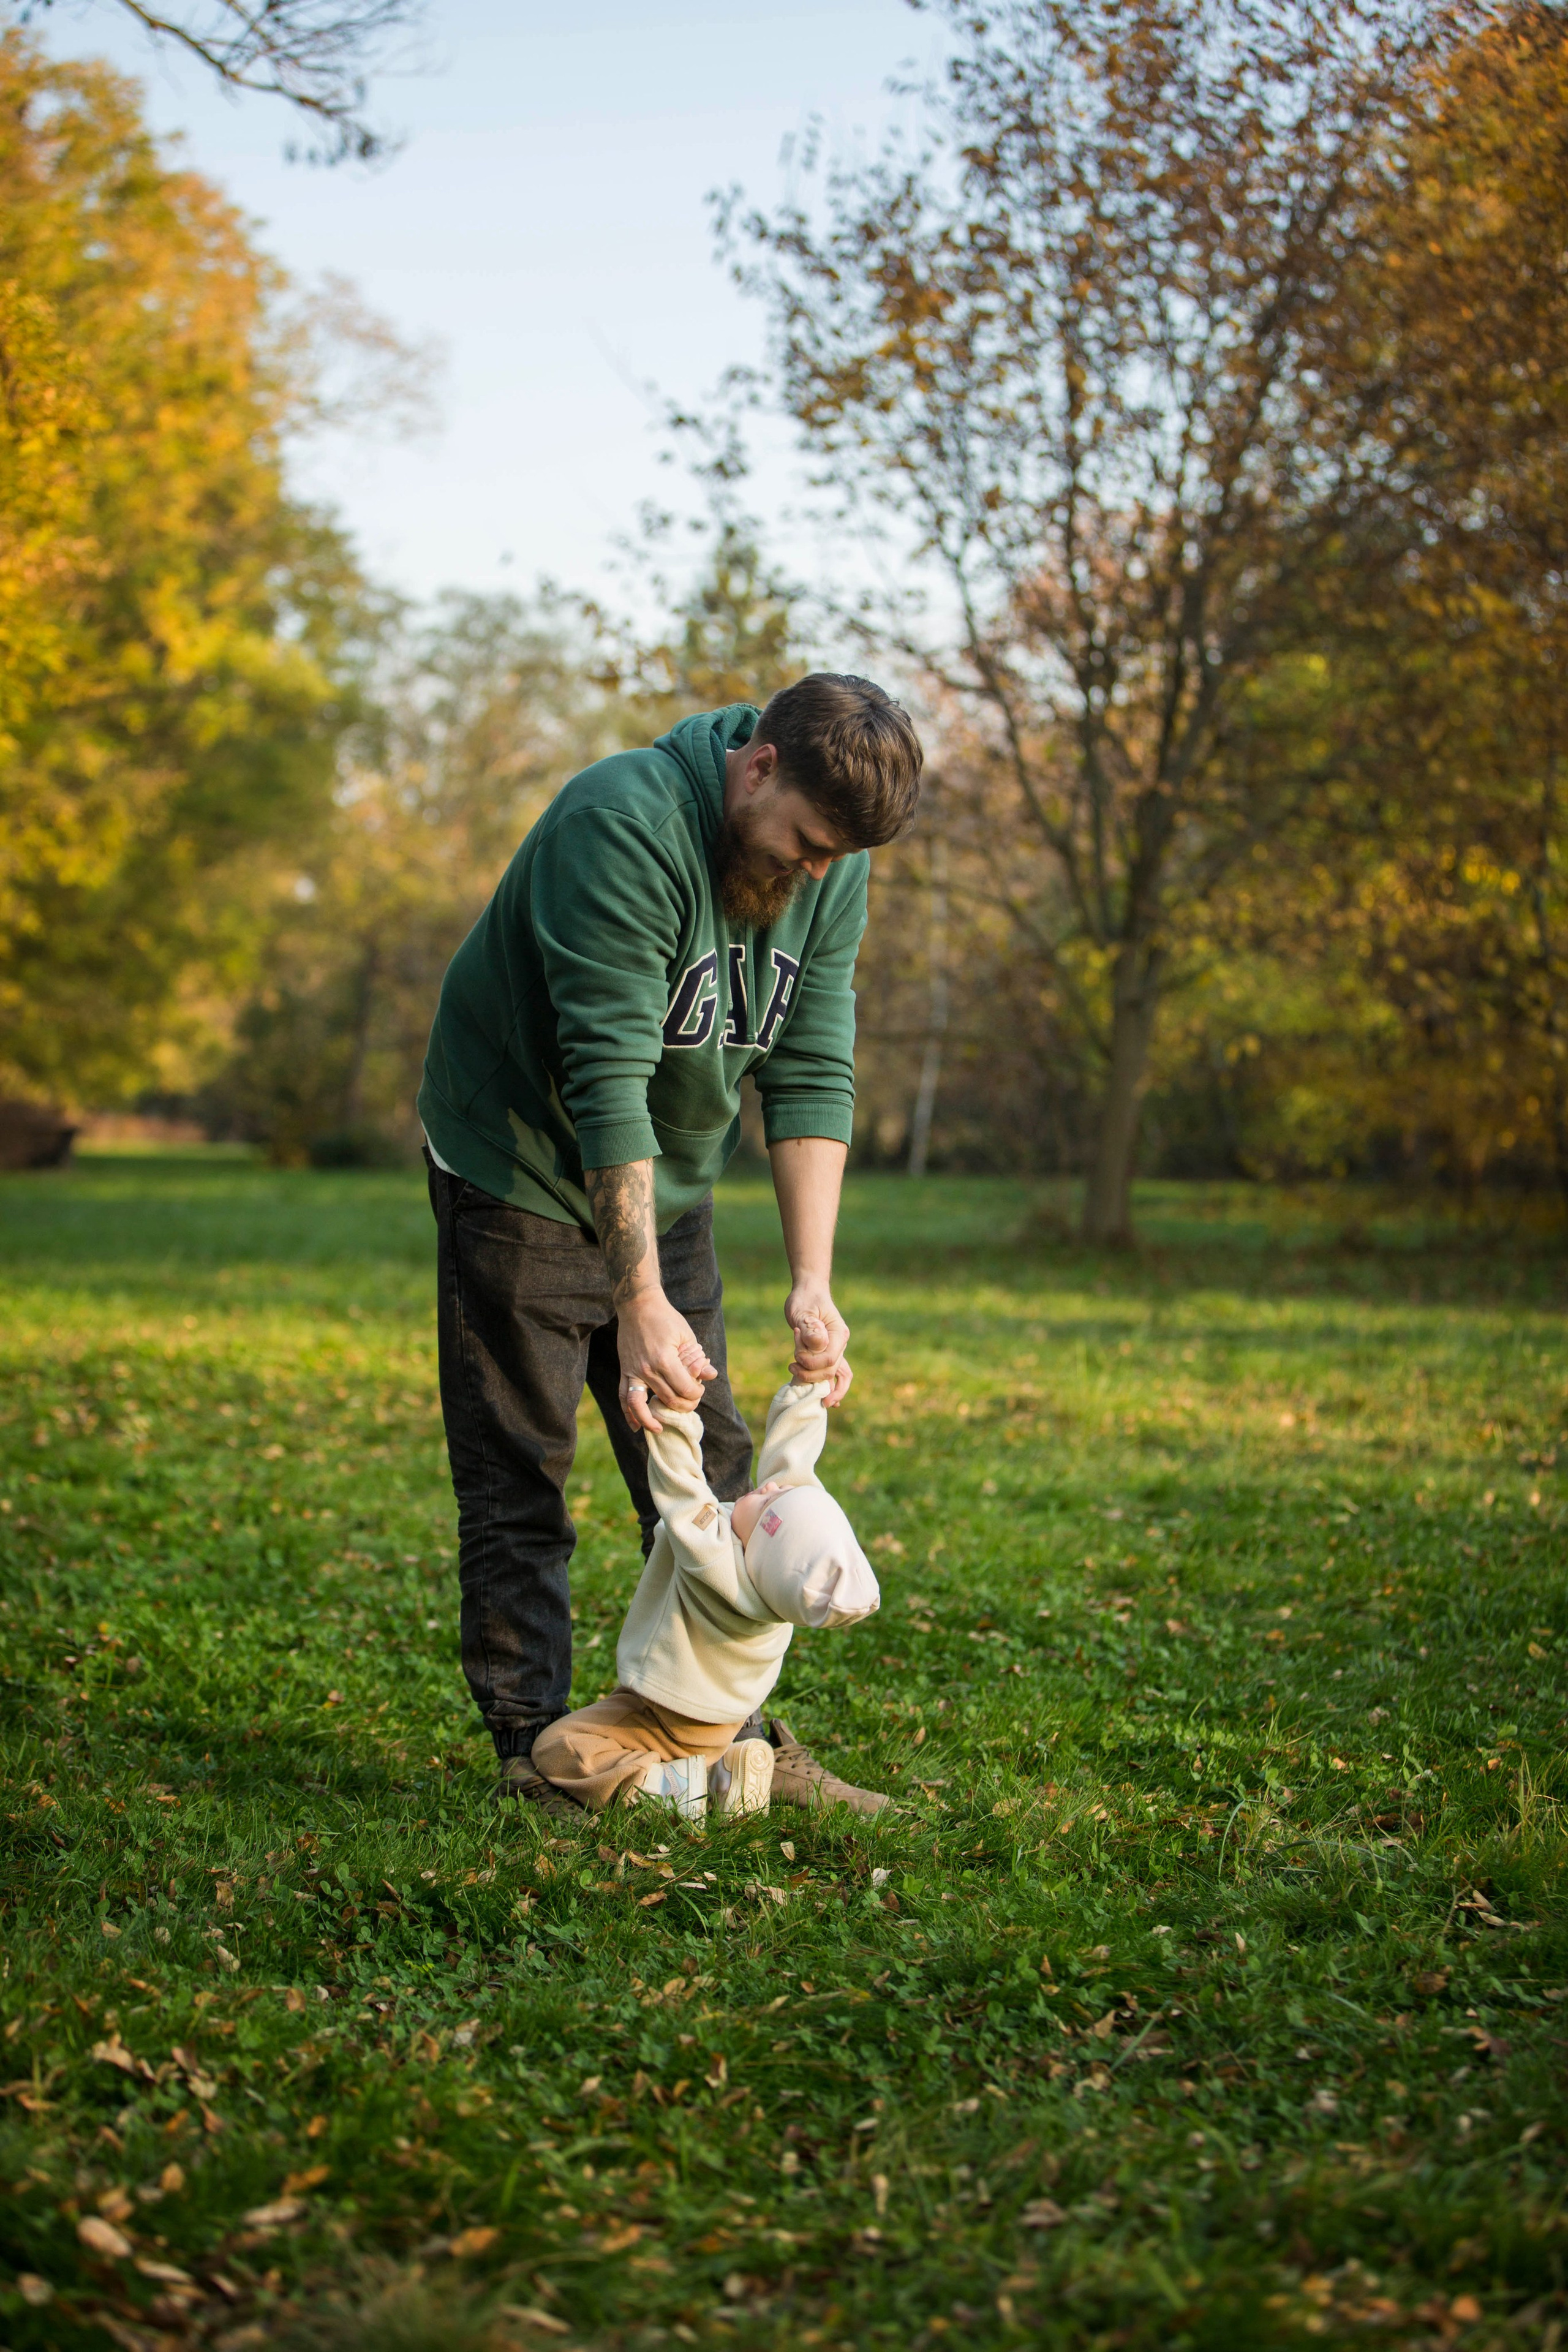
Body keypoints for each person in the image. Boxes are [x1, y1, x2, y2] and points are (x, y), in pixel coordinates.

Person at [418, 673, 922, 1817]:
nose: (819, 875)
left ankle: (732, 1740)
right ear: (758, 768)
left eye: (840, 856)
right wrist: (635, 1295)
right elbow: (604, 1077)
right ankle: (536, 1758)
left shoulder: (826, 862)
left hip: (667, 1175)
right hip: (524, 1165)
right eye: (806, 845)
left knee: (719, 1475)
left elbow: (811, 1059)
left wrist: (813, 1280)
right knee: (521, 1472)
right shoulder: (621, 824)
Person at [532, 1330, 882, 1817]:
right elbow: (794, 1465)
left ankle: (669, 1790)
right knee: (674, 1743)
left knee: (560, 1747)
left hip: (666, 1714)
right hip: (721, 1723)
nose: (767, 1487)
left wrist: (678, 1408)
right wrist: (809, 1386)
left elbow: (681, 1484)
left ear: (753, 1543)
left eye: (765, 1500)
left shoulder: (713, 1557)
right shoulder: (774, 1582)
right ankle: (722, 1775)